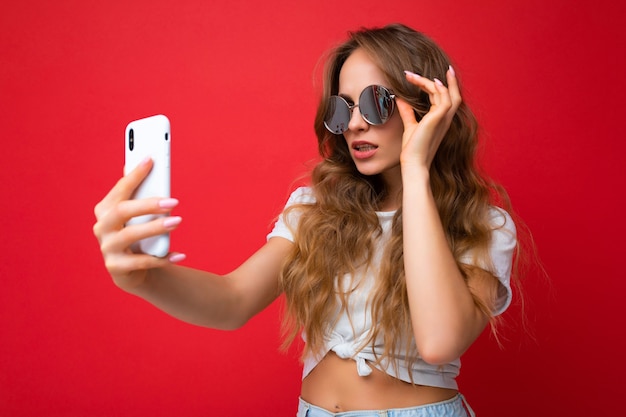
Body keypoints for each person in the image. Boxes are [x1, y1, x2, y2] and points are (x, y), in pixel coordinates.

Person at [93, 23, 520, 417]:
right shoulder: (316, 209)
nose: (352, 125)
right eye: (342, 108)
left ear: (427, 106)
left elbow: (439, 341)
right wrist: (143, 278)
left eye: (374, 103)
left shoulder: (482, 225)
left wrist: (415, 168)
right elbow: (233, 300)